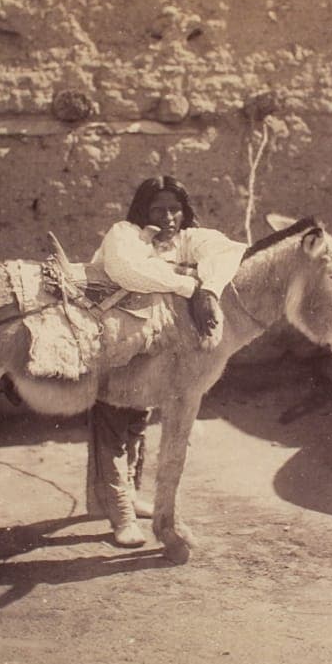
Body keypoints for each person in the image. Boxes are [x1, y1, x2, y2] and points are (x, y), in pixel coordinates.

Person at [86, 176, 248, 547]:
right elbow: (129, 270)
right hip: (116, 342)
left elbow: (228, 252)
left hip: (155, 348)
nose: (169, 216)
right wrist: (187, 283)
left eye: (175, 208)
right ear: (143, 210)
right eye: (158, 209)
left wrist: (208, 289)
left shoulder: (188, 239)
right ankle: (120, 514)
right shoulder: (125, 235)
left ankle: (130, 494)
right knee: (111, 425)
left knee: (137, 426)